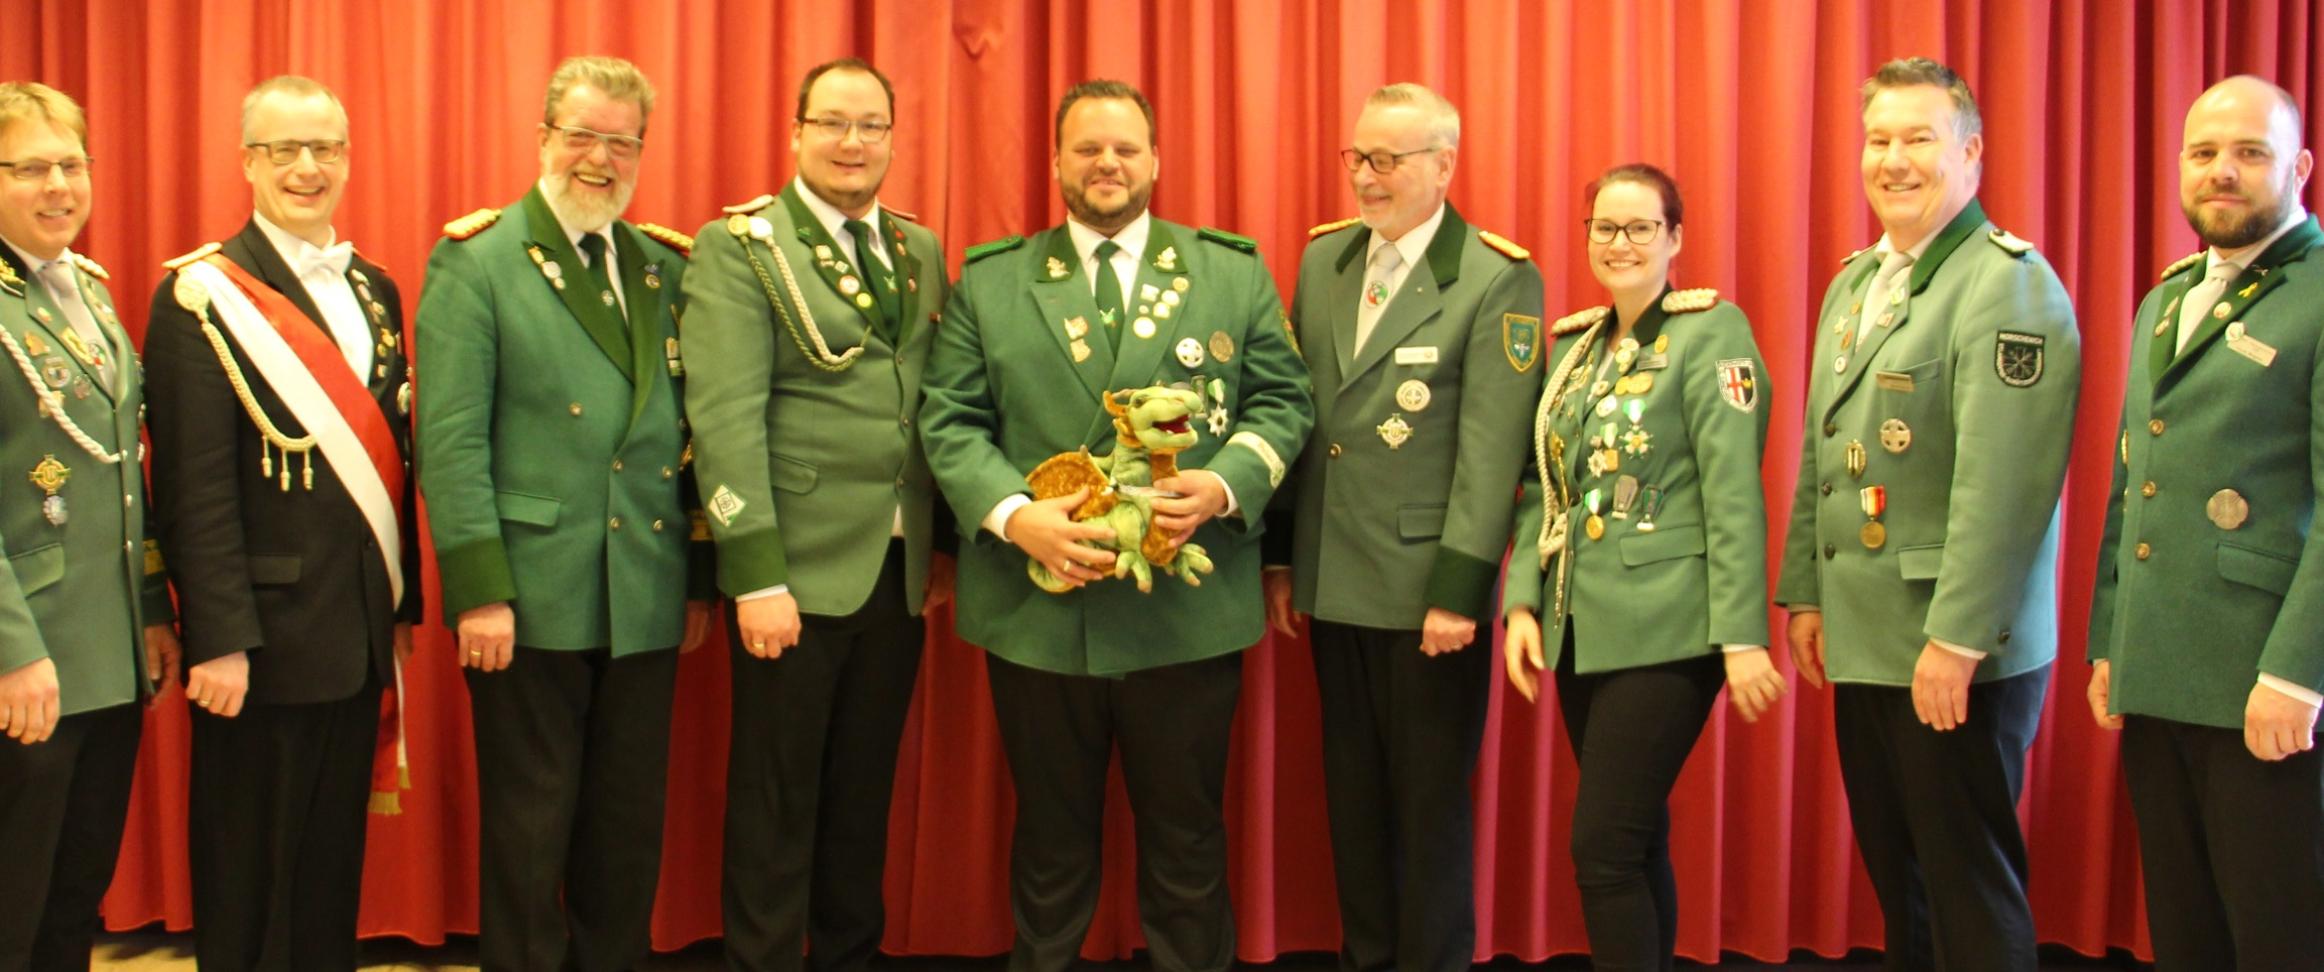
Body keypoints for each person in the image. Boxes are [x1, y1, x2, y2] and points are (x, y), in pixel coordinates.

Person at [917, 79, 1312, 972]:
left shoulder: (1229, 270)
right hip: (1039, 608)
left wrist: (1222, 483)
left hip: (1184, 609)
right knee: (1050, 847)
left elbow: (1286, 402)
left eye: (1126, 148)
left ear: (1156, 161)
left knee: (1186, 842)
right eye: (1088, 148)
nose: (1108, 164)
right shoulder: (993, 279)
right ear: (1056, 162)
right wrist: (1017, 519)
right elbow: (948, 420)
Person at [1774, 57, 2079, 972]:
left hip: (1954, 651)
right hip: (1870, 633)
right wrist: (1805, 591)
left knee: (1967, 888)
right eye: (1878, 139)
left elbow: (2007, 485)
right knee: (1900, 880)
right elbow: (1825, 455)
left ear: (1971, 152)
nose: (1893, 159)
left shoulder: (2006, 284)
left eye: (1919, 138)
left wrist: (1956, 637)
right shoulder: (1856, 281)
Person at [413, 55, 712, 972]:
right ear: (544, 138)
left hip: (644, 591)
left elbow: (696, 436)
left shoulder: (664, 265)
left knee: (626, 833)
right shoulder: (480, 259)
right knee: (531, 830)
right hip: (529, 595)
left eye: (623, 142)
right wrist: (478, 593)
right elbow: (451, 442)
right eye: (582, 135)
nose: (600, 158)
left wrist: (696, 582)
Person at [1261, 81, 1541, 972]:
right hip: (1333, 581)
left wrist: (1461, 592)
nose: (1367, 180)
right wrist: (1278, 561)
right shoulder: (1323, 260)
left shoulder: (1498, 277)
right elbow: (1300, 421)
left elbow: (1493, 456)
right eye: (1357, 159)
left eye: (1388, 161)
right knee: (1351, 801)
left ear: (1443, 166)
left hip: (1429, 593)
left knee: (1427, 809)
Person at [681, 57, 951, 972]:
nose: (852, 143)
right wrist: (753, 573)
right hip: (790, 572)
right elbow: (721, 417)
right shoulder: (745, 244)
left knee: (861, 798)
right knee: (776, 803)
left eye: (870, 126)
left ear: (890, 139)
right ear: (796, 133)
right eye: (832, 123)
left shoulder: (916, 248)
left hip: (896, 567)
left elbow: (922, 404)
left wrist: (941, 547)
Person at [143, 75, 417, 972]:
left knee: (328, 871)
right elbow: (193, 486)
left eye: (326, 148)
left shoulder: (376, 288)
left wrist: (401, 607)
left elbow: (390, 462)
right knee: (246, 873)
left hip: (356, 632)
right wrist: (218, 636)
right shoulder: (200, 296)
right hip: (257, 644)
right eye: (284, 150)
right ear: (248, 161)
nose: (308, 168)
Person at [1500, 164, 1785, 972]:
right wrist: (1523, 602)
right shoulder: (1576, 346)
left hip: (1671, 627)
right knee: (1636, 837)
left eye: (1640, 228)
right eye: (1605, 228)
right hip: (1582, 628)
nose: (1619, 243)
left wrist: (1741, 635)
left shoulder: (1710, 332)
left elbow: (1734, 493)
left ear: (1675, 240)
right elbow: (1540, 488)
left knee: (1604, 850)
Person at [2085, 74, 2323, 972]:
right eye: (2204, 153)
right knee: (2186, 932)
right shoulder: (2167, 299)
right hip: (2161, 671)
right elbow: (2133, 483)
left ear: (2298, 167)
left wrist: (2299, 675)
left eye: (2250, 153)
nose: (2222, 171)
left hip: (2264, 682)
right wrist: (2112, 640)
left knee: (2280, 935)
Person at [0, 79, 178, 971]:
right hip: (27, 659)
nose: (59, 186)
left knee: (76, 897)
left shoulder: (90, 293)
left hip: (103, 653)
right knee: (13, 901)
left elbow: (119, 477)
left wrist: (148, 607)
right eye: (32, 167)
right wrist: (10, 650)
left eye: (71, 164)